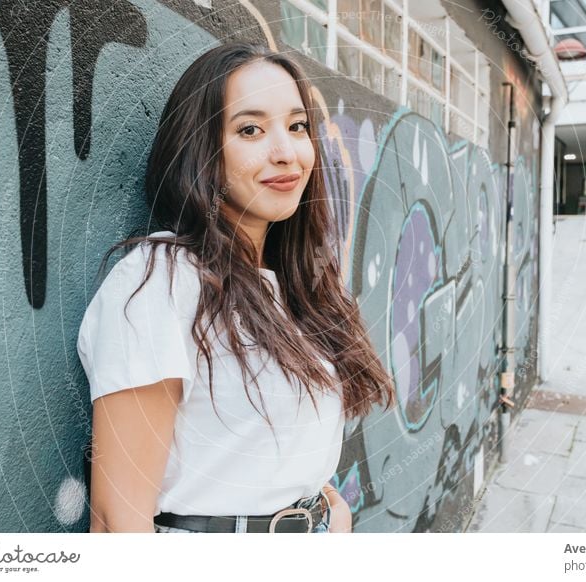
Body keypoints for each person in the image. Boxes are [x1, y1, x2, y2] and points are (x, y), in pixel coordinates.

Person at [77, 42, 395, 534]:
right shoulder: (162, 282)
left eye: (297, 126)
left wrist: (330, 511)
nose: (286, 151)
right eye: (250, 129)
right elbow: (119, 521)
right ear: (202, 152)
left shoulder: (297, 286)